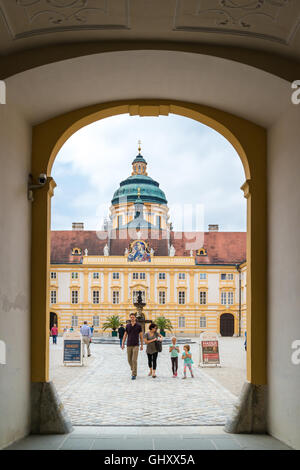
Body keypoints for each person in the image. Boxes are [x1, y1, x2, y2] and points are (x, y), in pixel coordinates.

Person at [121, 313, 143, 380]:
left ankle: (134, 374)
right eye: (131, 317)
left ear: (135, 318)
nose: (132, 318)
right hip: (129, 344)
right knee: (129, 360)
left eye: (133, 317)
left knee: (134, 360)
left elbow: (141, 336)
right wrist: (122, 343)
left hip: (136, 344)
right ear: (130, 318)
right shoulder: (127, 326)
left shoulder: (139, 326)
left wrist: (142, 345)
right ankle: (133, 368)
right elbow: (125, 335)